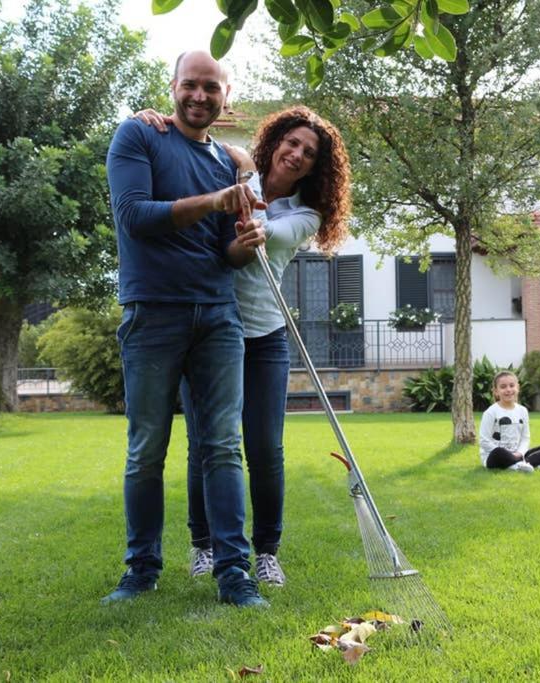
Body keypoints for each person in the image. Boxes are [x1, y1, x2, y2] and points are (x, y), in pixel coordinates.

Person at [135, 105, 352, 586]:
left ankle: (267, 551)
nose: (296, 155)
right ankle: (203, 546)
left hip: (266, 338)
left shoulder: (305, 215)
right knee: (206, 447)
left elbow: (271, 232)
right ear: (274, 143)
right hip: (212, 332)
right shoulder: (239, 174)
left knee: (265, 449)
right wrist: (158, 120)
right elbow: (203, 138)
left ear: (316, 167)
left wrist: (256, 226)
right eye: (291, 143)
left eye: (309, 153)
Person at [101, 50, 269, 608]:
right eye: (190, 85)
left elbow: (222, 251)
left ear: (226, 98)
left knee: (223, 446)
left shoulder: (227, 162)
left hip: (218, 315)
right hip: (152, 312)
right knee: (147, 449)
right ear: (173, 87)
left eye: (211, 89)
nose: (200, 96)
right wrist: (217, 200)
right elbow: (134, 216)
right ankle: (141, 571)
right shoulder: (138, 136)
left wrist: (242, 247)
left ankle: (234, 575)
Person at [479, 371, 540, 473]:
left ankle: (520, 464)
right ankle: (528, 463)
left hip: (518, 454)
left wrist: (520, 453)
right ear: (496, 391)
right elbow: (484, 441)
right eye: (503, 387)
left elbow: (525, 437)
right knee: (499, 452)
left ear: (518, 387)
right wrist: (509, 454)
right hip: (495, 456)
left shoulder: (522, 410)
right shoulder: (491, 412)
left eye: (511, 385)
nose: (508, 389)